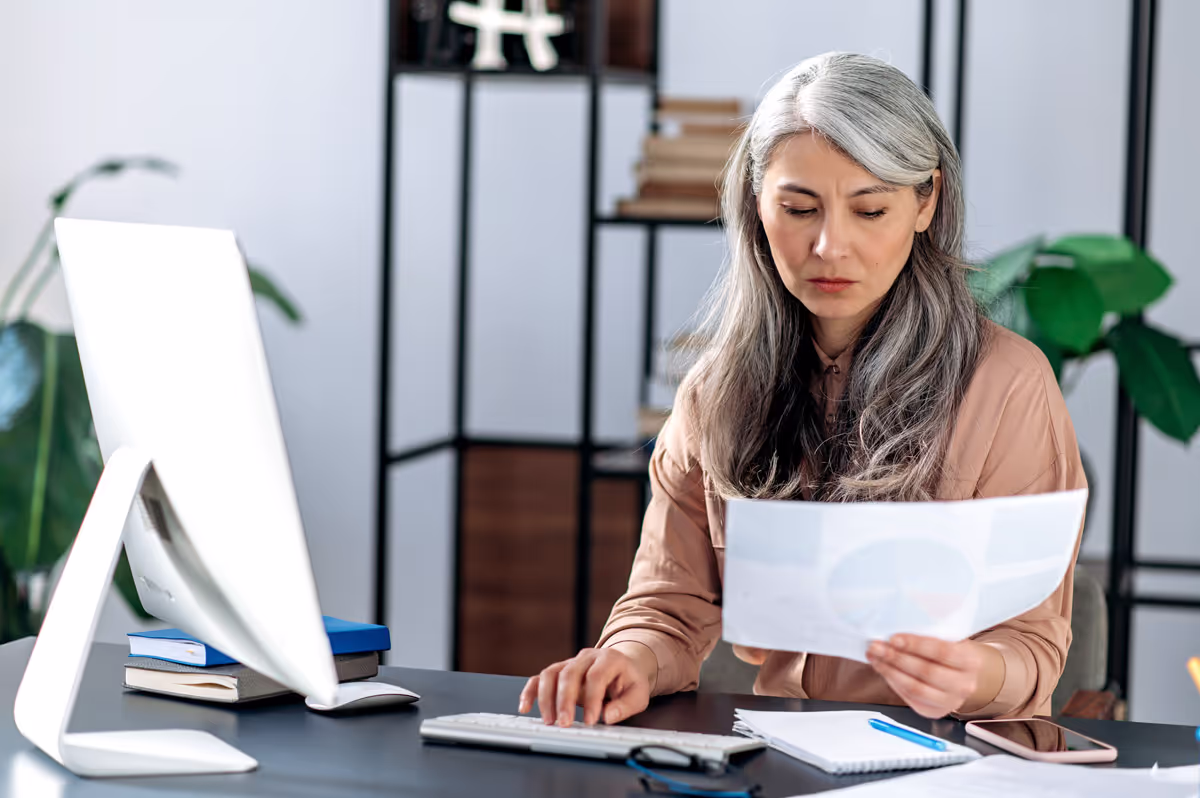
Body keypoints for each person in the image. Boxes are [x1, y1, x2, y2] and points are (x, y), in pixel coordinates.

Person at [518, 52, 1086, 727]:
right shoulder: (716, 392)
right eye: (799, 208)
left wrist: (977, 674)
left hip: (956, 763)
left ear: (925, 201)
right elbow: (668, 606)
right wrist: (626, 660)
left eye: (869, 210)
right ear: (758, 205)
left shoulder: (1006, 386)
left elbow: (1033, 641)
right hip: (782, 754)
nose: (829, 246)